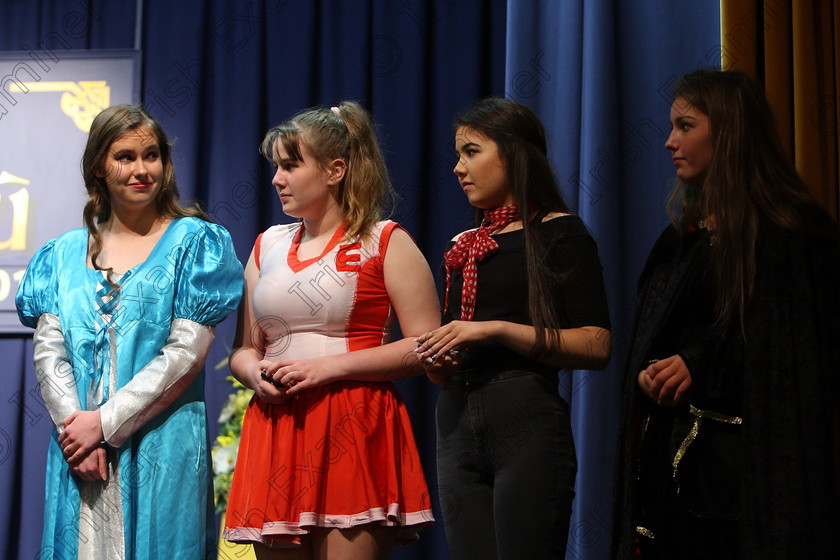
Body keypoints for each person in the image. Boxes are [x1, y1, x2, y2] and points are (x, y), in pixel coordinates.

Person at [610, 69, 840, 559]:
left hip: (743, 481)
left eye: (686, 126)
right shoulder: (681, 241)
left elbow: (794, 356)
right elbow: (651, 342)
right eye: (672, 127)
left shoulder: (789, 234)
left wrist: (700, 361)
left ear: (731, 131)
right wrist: (652, 374)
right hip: (666, 477)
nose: (670, 141)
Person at [15, 104, 243, 559]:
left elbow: (185, 353)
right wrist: (77, 433)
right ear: (99, 166)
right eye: (125, 156)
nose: (142, 169)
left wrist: (103, 424)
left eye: (152, 155)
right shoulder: (61, 254)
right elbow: (49, 353)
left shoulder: (194, 242)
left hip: (162, 444)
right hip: (77, 447)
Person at [221, 101, 440, 559]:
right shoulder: (268, 244)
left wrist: (327, 370)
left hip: (353, 425)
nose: (277, 178)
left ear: (335, 170)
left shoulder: (384, 240)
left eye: (290, 165)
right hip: (277, 427)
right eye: (276, 166)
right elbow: (245, 348)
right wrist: (254, 375)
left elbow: (425, 347)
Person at [415, 97, 612, 560]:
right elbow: (449, 353)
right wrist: (437, 361)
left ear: (513, 152)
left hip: (524, 412)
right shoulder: (465, 246)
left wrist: (493, 330)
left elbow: (597, 344)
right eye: (458, 154)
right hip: (456, 417)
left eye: (471, 151)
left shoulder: (561, 233)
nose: (458, 168)